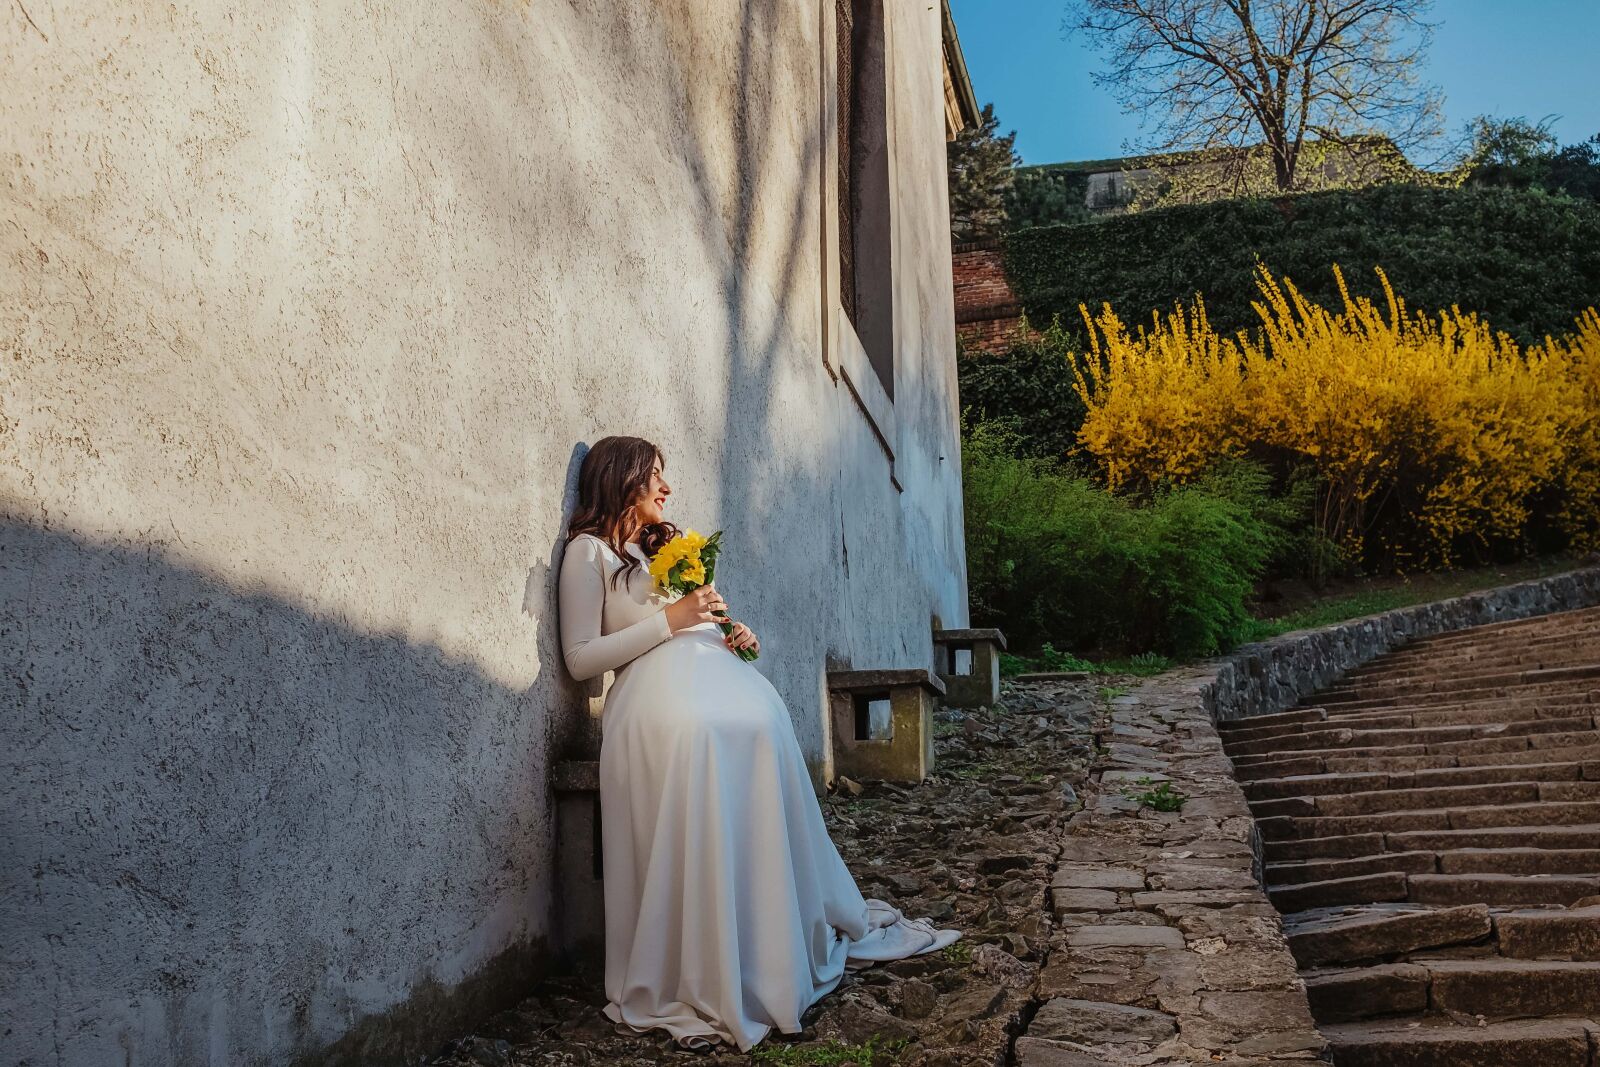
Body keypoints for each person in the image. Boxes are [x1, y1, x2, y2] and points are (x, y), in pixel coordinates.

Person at [556, 435, 960, 1053]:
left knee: (761, 726)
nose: (667, 488)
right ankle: (706, 955)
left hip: (717, 674)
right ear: (624, 480)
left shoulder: (671, 546)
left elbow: (709, 622)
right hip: (654, 695)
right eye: (656, 476)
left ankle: (762, 933)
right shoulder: (588, 555)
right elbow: (581, 659)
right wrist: (672, 621)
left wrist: (733, 634)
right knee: (706, 735)